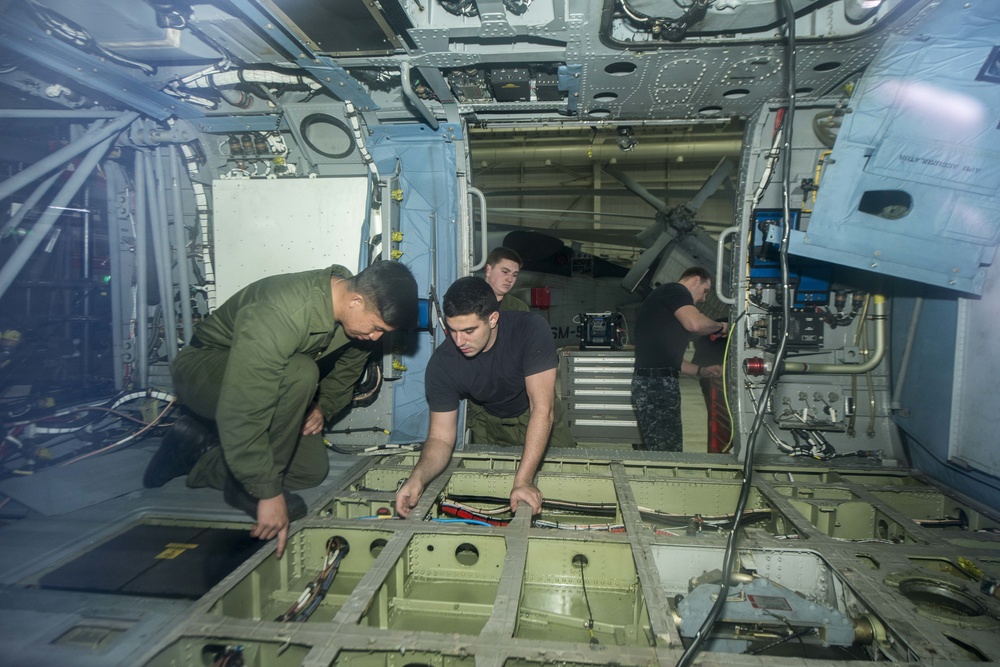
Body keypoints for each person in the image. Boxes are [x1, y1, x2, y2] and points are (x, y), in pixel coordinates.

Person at [143, 261, 418, 557]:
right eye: (377, 327)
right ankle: (247, 487)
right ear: (355, 301)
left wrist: (323, 407)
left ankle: (197, 454)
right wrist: (267, 491)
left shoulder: (358, 319)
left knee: (309, 471)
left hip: (260, 383)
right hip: (203, 372)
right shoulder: (283, 310)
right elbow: (243, 405)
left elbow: (346, 374)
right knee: (301, 374)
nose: (377, 337)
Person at [394, 277, 574, 518]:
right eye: (452, 331)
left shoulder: (530, 330)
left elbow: (542, 408)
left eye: (469, 331)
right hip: (487, 420)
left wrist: (523, 481)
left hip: (533, 416)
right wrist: (417, 478)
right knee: (487, 497)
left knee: (566, 483)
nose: (459, 342)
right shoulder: (442, 364)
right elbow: (440, 437)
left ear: (493, 319)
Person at [631, 267, 728, 452]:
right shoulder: (675, 290)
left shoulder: (664, 304)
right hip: (656, 385)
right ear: (695, 280)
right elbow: (695, 324)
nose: (703, 298)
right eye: (705, 291)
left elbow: (670, 360)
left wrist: (702, 371)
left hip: (654, 383)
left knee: (665, 448)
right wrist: (723, 326)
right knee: (666, 452)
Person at [484, 246, 529, 311]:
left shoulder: (520, 308)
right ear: (488, 270)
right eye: (505, 272)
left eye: (514, 275)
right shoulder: (468, 301)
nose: (510, 279)